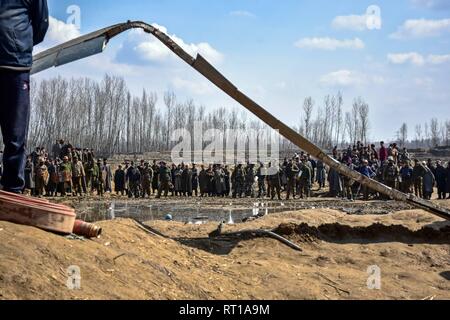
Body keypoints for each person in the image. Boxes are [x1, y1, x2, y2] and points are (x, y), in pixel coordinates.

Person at [0, 0, 48, 194]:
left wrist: (18, 43)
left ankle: (12, 189)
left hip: (16, 66)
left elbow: (41, 24)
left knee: (15, 134)